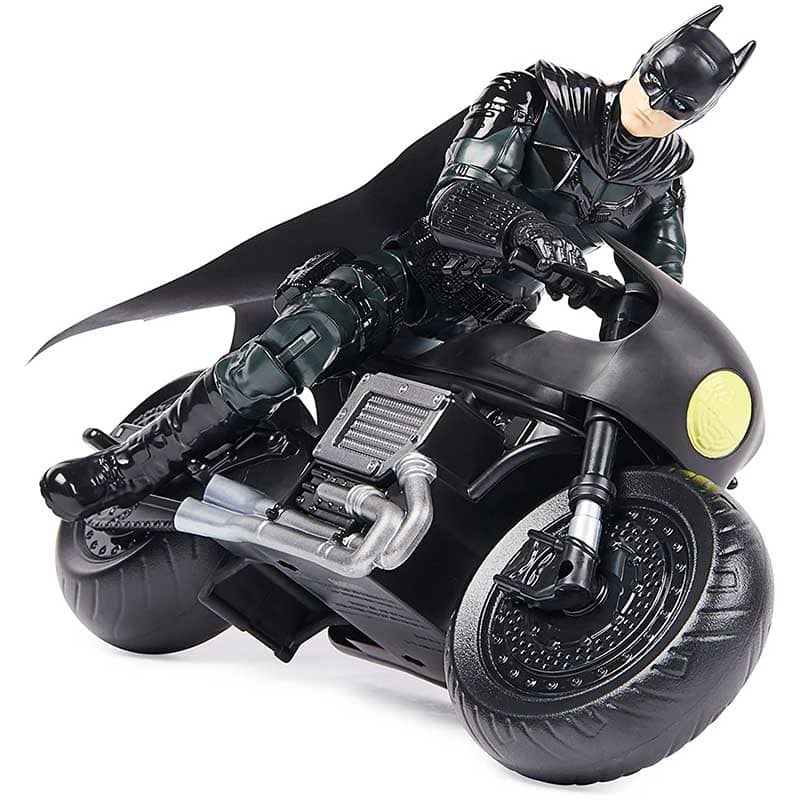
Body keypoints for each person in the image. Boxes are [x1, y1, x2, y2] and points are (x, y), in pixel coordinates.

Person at [41, 6, 755, 522]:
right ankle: (133, 467)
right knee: (304, 340)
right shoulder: (536, 94)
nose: (656, 109)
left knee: (521, 435)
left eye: (678, 107)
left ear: (699, 115)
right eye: (655, 85)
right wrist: (541, 242)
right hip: (411, 278)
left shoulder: (664, 183)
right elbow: (459, 197)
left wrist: (661, 401)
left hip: (496, 324)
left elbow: (658, 290)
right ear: (643, 62)